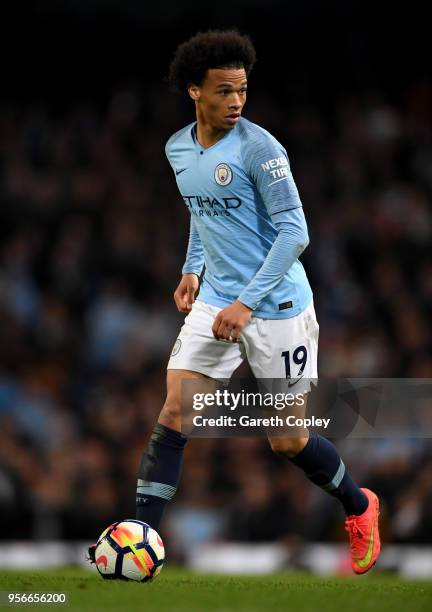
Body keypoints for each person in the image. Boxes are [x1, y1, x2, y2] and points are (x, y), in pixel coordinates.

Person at [88, 29, 380, 574]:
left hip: (276, 305)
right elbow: (203, 212)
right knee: (176, 409)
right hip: (216, 297)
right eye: (224, 91)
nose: (237, 102)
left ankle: (361, 505)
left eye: (242, 90)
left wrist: (245, 303)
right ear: (194, 91)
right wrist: (191, 268)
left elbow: (295, 232)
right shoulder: (177, 147)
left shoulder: (260, 148)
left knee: (287, 440)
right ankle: (141, 533)